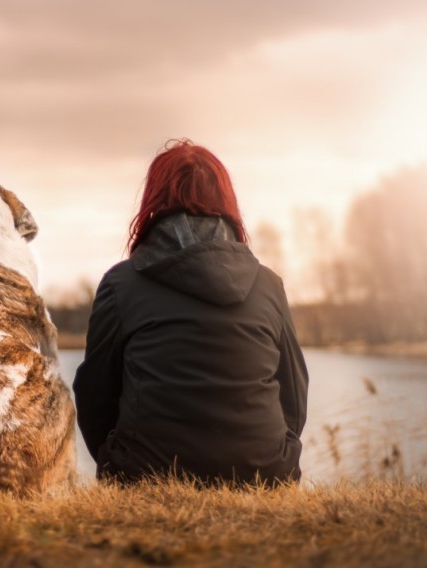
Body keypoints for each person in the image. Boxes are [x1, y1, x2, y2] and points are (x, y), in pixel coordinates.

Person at [72, 139, 309, 486]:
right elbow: (294, 394)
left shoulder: (121, 284)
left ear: (153, 201)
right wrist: (276, 455)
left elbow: (94, 395)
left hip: (145, 474)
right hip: (264, 474)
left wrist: (115, 460)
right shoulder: (268, 285)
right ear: (226, 202)